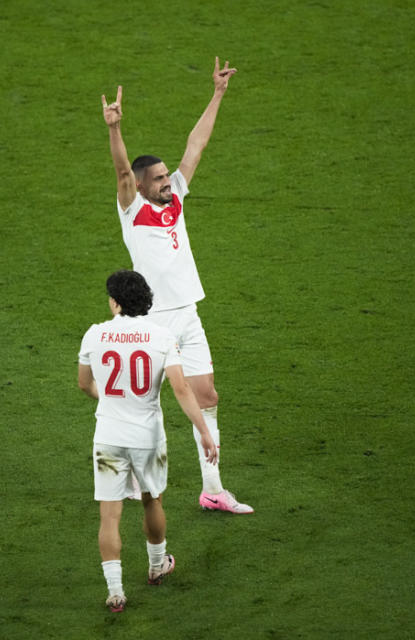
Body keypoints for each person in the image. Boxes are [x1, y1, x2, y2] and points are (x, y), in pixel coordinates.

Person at [100, 56, 252, 514]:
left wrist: (218, 94)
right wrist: (114, 129)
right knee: (142, 406)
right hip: (154, 321)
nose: (169, 182)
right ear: (142, 186)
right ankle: (127, 479)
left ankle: (212, 489)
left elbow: (196, 146)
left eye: (168, 177)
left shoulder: (176, 198)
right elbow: (123, 172)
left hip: (189, 313)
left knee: (207, 397)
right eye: (161, 179)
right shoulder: (133, 210)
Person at [78, 270, 219, 612]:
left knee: (109, 515)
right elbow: (182, 388)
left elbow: (84, 384)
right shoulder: (161, 337)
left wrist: (111, 401)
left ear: (115, 302)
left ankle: (115, 592)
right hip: (147, 439)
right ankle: (157, 566)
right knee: (151, 499)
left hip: (108, 437)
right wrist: (203, 430)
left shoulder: (95, 335)